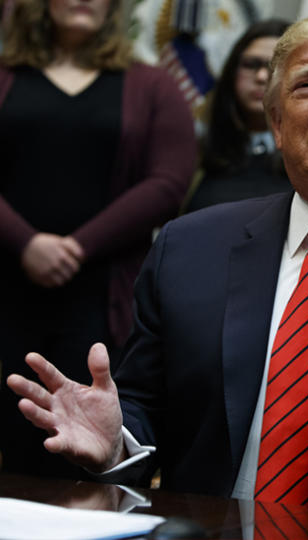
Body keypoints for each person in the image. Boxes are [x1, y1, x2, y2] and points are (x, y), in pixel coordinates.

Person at [7, 9, 308, 521]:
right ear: (278, 126)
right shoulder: (189, 250)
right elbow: (145, 408)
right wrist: (116, 444)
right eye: (306, 86)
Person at [0, 0, 194, 477]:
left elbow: (168, 183)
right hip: (7, 292)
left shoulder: (154, 85)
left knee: (89, 451)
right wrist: (26, 243)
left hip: (105, 301)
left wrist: (76, 247)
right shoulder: (5, 75)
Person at [184, 19, 292, 213]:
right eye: (251, 64)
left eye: (274, 68)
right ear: (232, 71)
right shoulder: (197, 153)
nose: (261, 77)